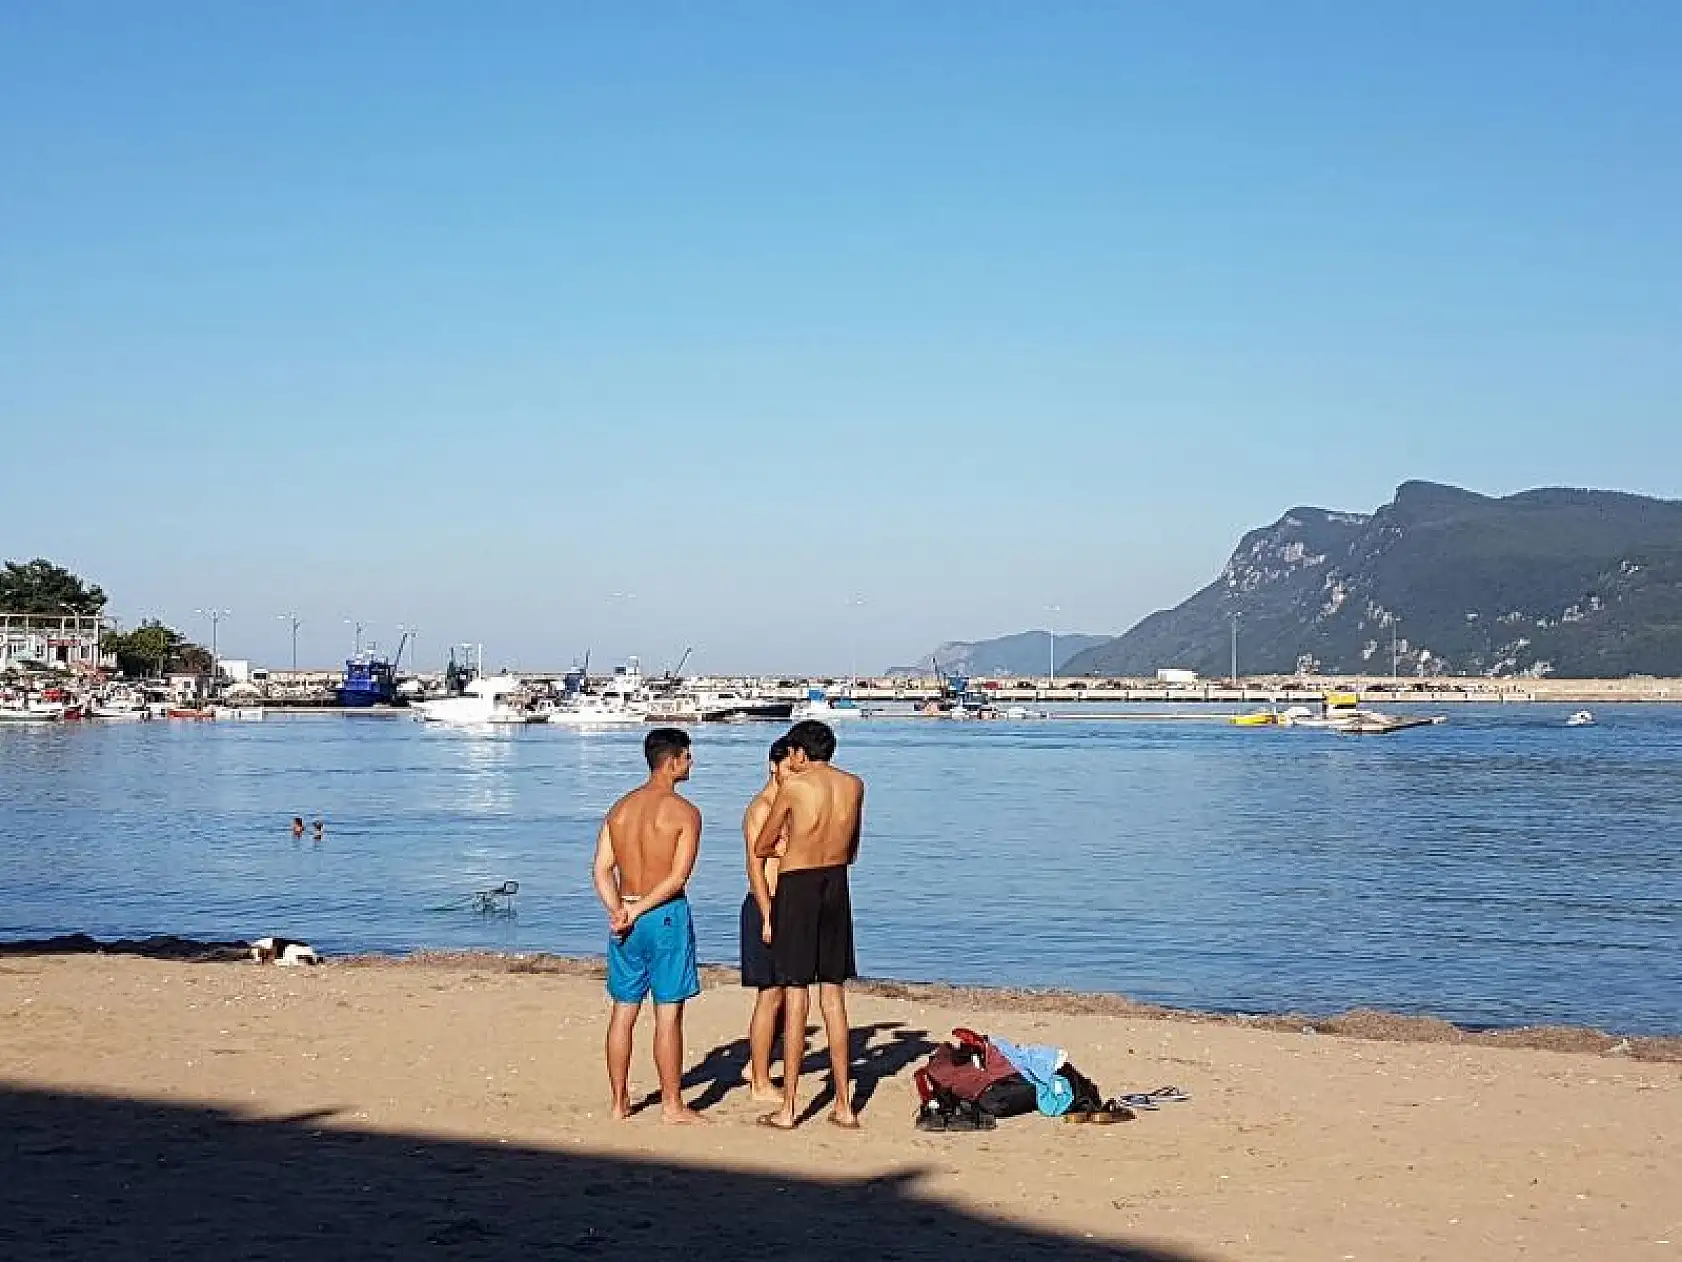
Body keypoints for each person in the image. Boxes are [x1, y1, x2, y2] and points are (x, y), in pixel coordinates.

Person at [753, 719, 865, 1130]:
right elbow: (853, 849)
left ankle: (789, 1107)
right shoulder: (853, 785)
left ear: (799, 753)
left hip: (798, 884)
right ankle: (844, 1105)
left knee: (796, 993)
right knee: (833, 995)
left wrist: (787, 846)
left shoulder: (794, 786)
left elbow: (762, 845)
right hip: (836, 881)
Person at [591, 727, 705, 1124]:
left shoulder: (620, 809)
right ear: (671, 762)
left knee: (624, 1010)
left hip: (626, 915)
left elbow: (601, 869)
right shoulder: (685, 812)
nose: (691, 762)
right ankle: (672, 1104)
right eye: (687, 756)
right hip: (663, 915)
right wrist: (636, 911)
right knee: (668, 1014)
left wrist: (618, 909)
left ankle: (619, 1101)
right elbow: (677, 877)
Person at [741, 736, 792, 1103]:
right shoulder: (761, 808)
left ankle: (755, 1064)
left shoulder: (790, 806)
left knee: (789, 995)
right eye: (789, 767)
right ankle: (759, 1080)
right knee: (771, 994)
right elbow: (755, 867)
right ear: (773, 766)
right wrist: (767, 914)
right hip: (767, 904)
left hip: (790, 906)